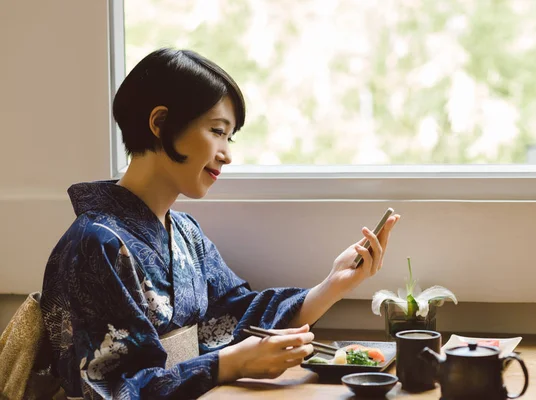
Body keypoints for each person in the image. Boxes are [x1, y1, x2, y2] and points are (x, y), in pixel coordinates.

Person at [40, 48, 400, 399]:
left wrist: (332, 286)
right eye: (216, 131)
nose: (227, 154)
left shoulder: (186, 233)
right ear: (160, 123)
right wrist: (226, 365)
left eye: (229, 136)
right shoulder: (95, 243)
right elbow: (113, 388)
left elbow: (237, 315)